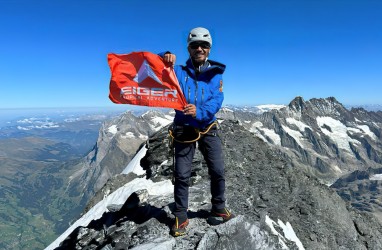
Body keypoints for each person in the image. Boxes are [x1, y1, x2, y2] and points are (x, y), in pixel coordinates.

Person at [161, 27, 234, 237]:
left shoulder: (215, 74)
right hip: (184, 128)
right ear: (189, 49)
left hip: (208, 126)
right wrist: (164, 55)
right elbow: (159, 68)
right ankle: (181, 217)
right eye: (195, 45)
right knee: (182, 174)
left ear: (209, 49)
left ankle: (219, 208)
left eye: (204, 45)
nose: (199, 49)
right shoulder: (178, 72)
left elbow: (217, 100)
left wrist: (199, 111)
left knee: (218, 170)